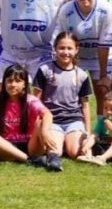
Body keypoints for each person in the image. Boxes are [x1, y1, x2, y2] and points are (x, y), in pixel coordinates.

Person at [54, 0, 112, 116]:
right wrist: (68, 69)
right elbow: (65, 42)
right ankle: (77, 124)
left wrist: (103, 75)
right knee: (72, 91)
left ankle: (101, 126)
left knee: (103, 90)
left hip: (100, 56)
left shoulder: (106, 9)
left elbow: (104, 45)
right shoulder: (66, 10)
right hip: (77, 57)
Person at [32, 32, 92, 169]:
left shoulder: (82, 75)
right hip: (52, 121)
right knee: (56, 151)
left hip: (74, 120)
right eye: (62, 48)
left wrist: (88, 131)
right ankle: (53, 158)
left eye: (70, 48)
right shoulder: (45, 70)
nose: (66, 52)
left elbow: (85, 105)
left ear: (76, 50)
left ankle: (70, 142)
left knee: (74, 152)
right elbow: (36, 101)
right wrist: (37, 126)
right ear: (55, 48)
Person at [0, 64, 56, 169]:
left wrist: (44, 132)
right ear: (4, 83)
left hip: (31, 145)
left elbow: (47, 114)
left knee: (41, 122)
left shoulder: (31, 100)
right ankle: (29, 160)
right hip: (8, 146)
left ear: (25, 84)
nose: (13, 84)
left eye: (18, 81)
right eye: (9, 81)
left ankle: (53, 157)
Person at [77, 90, 112, 166]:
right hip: (102, 146)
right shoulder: (102, 121)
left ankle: (102, 158)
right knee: (86, 140)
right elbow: (95, 135)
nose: (108, 112)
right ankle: (88, 156)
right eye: (105, 108)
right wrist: (87, 146)